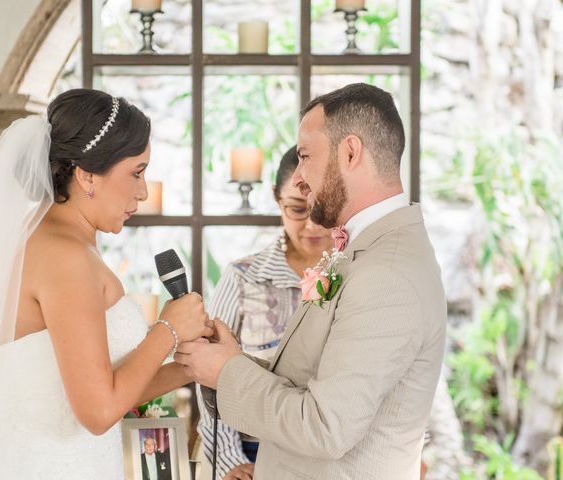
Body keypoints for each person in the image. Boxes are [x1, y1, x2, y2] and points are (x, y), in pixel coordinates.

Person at [0, 89, 212, 479]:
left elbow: (89, 391)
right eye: (137, 173)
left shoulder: (56, 242)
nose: (143, 191)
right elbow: (97, 412)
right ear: (87, 174)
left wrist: (193, 367)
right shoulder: (65, 256)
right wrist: (169, 328)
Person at [176, 83, 447, 479]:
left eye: (305, 156)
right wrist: (232, 358)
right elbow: (308, 380)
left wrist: (227, 371)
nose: (300, 177)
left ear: (350, 152)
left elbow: (325, 427)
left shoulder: (387, 273)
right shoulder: (365, 250)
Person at [196, 146, 334, 479]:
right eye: (297, 209)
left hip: (331, 452)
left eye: (323, 211)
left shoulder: (357, 278)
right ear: (276, 199)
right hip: (252, 452)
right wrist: (231, 461)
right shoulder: (243, 277)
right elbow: (210, 377)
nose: (312, 226)